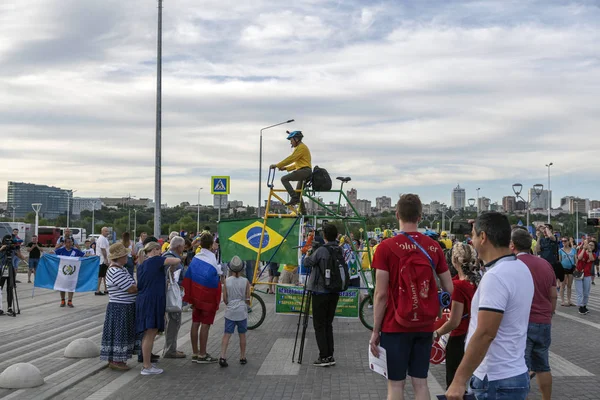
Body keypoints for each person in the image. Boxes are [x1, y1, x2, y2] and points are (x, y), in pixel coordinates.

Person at [370, 194, 453, 400]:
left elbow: (380, 295)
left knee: (396, 385)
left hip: (394, 325)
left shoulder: (385, 248)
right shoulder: (434, 247)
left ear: (397, 214)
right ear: (420, 216)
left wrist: (375, 331)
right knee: (421, 382)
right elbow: (449, 288)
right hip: (425, 324)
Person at [446, 212, 534, 400]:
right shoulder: (521, 269)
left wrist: (459, 380)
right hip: (513, 372)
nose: (472, 241)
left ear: (483, 237)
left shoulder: (496, 276)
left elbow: (486, 333)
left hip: (495, 379)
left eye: (473, 235)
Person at [511, 228, 556, 400]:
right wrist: (549, 313)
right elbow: (553, 294)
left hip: (523, 322)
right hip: (544, 322)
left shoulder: (513, 264)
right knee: (543, 366)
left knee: (521, 367)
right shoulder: (545, 263)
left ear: (512, 245)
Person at [433, 242, 478, 389]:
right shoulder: (478, 280)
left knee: (454, 385)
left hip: (459, 338)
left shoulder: (458, 286)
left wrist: (436, 334)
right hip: (474, 336)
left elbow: (454, 321)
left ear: (454, 260)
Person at [135, 241, 181, 375]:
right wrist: (168, 259)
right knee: (150, 333)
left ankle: (147, 363)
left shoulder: (142, 264)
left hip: (144, 299)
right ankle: (147, 366)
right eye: (159, 250)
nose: (160, 252)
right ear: (155, 250)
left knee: (148, 333)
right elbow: (176, 259)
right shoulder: (156, 260)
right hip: (152, 301)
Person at [304, 223, 344, 367]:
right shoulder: (338, 249)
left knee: (319, 325)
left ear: (324, 236)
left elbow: (307, 263)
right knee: (328, 324)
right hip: (334, 291)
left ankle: (324, 356)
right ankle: (330, 355)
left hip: (320, 292)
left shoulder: (321, 250)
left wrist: (308, 252)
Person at [183, 233, 222, 364]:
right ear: (211, 245)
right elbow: (216, 277)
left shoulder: (196, 258)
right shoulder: (212, 259)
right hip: (207, 298)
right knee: (205, 325)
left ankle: (194, 352)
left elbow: (189, 276)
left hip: (196, 296)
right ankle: (202, 354)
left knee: (195, 323)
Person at [100, 243, 139, 371]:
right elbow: (131, 288)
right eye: (125, 255)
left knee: (122, 332)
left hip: (124, 306)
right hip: (120, 307)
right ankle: (116, 359)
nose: (127, 257)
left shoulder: (120, 269)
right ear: (120, 257)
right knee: (119, 333)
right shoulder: (115, 270)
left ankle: (119, 358)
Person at [219, 256, 250, 367]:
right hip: (242, 311)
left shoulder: (227, 281)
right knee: (242, 335)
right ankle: (242, 356)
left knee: (227, 334)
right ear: (242, 268)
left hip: (230, 312)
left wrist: (230, 304)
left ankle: (223, 356)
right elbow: (247, 298)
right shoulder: (245, 281)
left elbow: (225, 299)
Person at [270, 130, 312, 206]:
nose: (290, 143)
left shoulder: (301, 148)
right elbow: (298, 164)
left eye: (291, 140)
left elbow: (291, 158)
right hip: (304, 170)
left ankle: (294, 198)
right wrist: (286, 168)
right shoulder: (300, 147)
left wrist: (277, 165)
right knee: (298, 194)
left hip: (304, 171)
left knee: (284, 179)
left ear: (296, 139)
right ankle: (305, 216)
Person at [162, 236, 186, 359]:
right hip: (171, 296)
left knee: (174, 322)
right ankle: (170, 349)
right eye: (183, 246)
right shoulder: (169, 258)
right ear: (178, 246)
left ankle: (171, 348)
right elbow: (168, 276)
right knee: (173, 322)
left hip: (174, 294)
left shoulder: (169, 256)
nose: (184, 248)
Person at [54, 237, 85, 308]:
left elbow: (84, 255)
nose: (70, 243)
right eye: (68, 242)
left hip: (72, 273)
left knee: (71, 287)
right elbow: (53, 254)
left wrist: (94, 256)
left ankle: (70, 301)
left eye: (71, 242)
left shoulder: (75, 251)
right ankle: (62, 300)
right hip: (62, 273)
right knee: (62, 287)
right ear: (65, 243)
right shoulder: (61, 250)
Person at [575, 239, 597, 315]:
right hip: (579, 273)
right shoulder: (581, 250)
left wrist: (590, 251)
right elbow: (579, 257)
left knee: (586, 292)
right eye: (589, 244)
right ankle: (580, 307)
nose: (590, 246)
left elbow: (591, 259)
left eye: (592, 245)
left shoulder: (593, 254)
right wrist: (584, 248)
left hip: (587, 274)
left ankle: (584, 305)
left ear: (594, 247)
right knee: (579, 292)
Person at [559, 237, 577, 306]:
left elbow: (576, 259)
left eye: (565, 241)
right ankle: (562, 301)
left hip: (571, 269)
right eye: (562, 241)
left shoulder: (573, 250)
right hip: (563, 269)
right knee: (562, 285)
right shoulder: (560, 250)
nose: (563, 242)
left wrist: (576, 266)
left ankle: (569, 300)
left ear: (568, 242)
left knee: (569, 285)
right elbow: (560, 261)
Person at [95, 227, 111, 296]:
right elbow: (103, 249)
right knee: (100, 275)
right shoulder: (101, 239)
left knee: (105, 275)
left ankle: (106, 289)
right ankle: (97, 290)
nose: (107, 232)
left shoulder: (105, 239)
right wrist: (106, 259)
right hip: (102, 260)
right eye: (106, 231)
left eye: (108, 231)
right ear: (102, 231)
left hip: (104, 259)